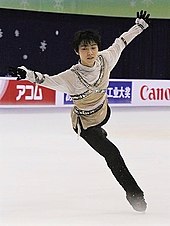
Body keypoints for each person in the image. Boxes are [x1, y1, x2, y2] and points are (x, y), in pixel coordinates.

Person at [9, 10, 150, 212]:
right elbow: (45, 80)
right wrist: (27, 73)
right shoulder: (71, 77)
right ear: (77, 52)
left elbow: (121, 42)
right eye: (85, 48)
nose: (90, 52)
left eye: (93, 47)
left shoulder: (106, 59)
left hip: (103, 113)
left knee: (104, 129)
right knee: (112, 154)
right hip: (85, 125)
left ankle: (101, 132)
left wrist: (139, 26)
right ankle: (135, 194)